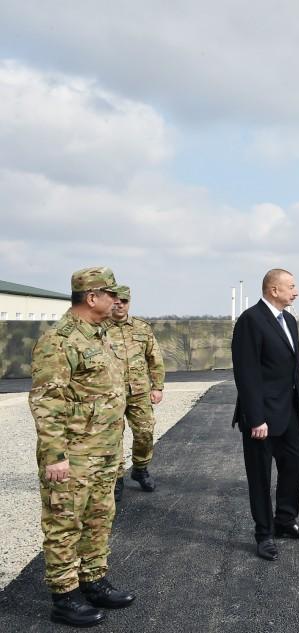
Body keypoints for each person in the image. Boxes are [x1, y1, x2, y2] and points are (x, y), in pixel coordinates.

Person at [29, 267, 135, 627]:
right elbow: (47, 402)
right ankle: (64, 596)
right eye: (111, 294)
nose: (117, 301)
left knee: (99, 518)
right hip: (73, 454)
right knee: (64, 523)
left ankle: (93, 580)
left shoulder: (98, 334)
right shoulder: (59, 341)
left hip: (103, 451)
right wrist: (55, 455)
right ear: (92, 298)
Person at [231, 269, 299, 561]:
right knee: (260, 477)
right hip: (261, 416)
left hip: (288, 412)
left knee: (294, 466)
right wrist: (256, 418)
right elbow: (247, 373)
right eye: (291, 286)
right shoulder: (251, 320)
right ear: (273, 290)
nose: (296, 291)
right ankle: (264, 534)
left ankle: (285, 521)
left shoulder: (290, 321)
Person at [104, 286, 165, 501]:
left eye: (124, 300)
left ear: (129, 302)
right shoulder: (98, 329)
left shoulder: (142, 328)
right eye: (115, 300)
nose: (119, 304)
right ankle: (117, 478)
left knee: (145, 432)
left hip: (139, 392)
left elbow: (154, 358)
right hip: (110, 394)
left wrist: (157, 387)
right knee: (113, 437)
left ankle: (140, 468)